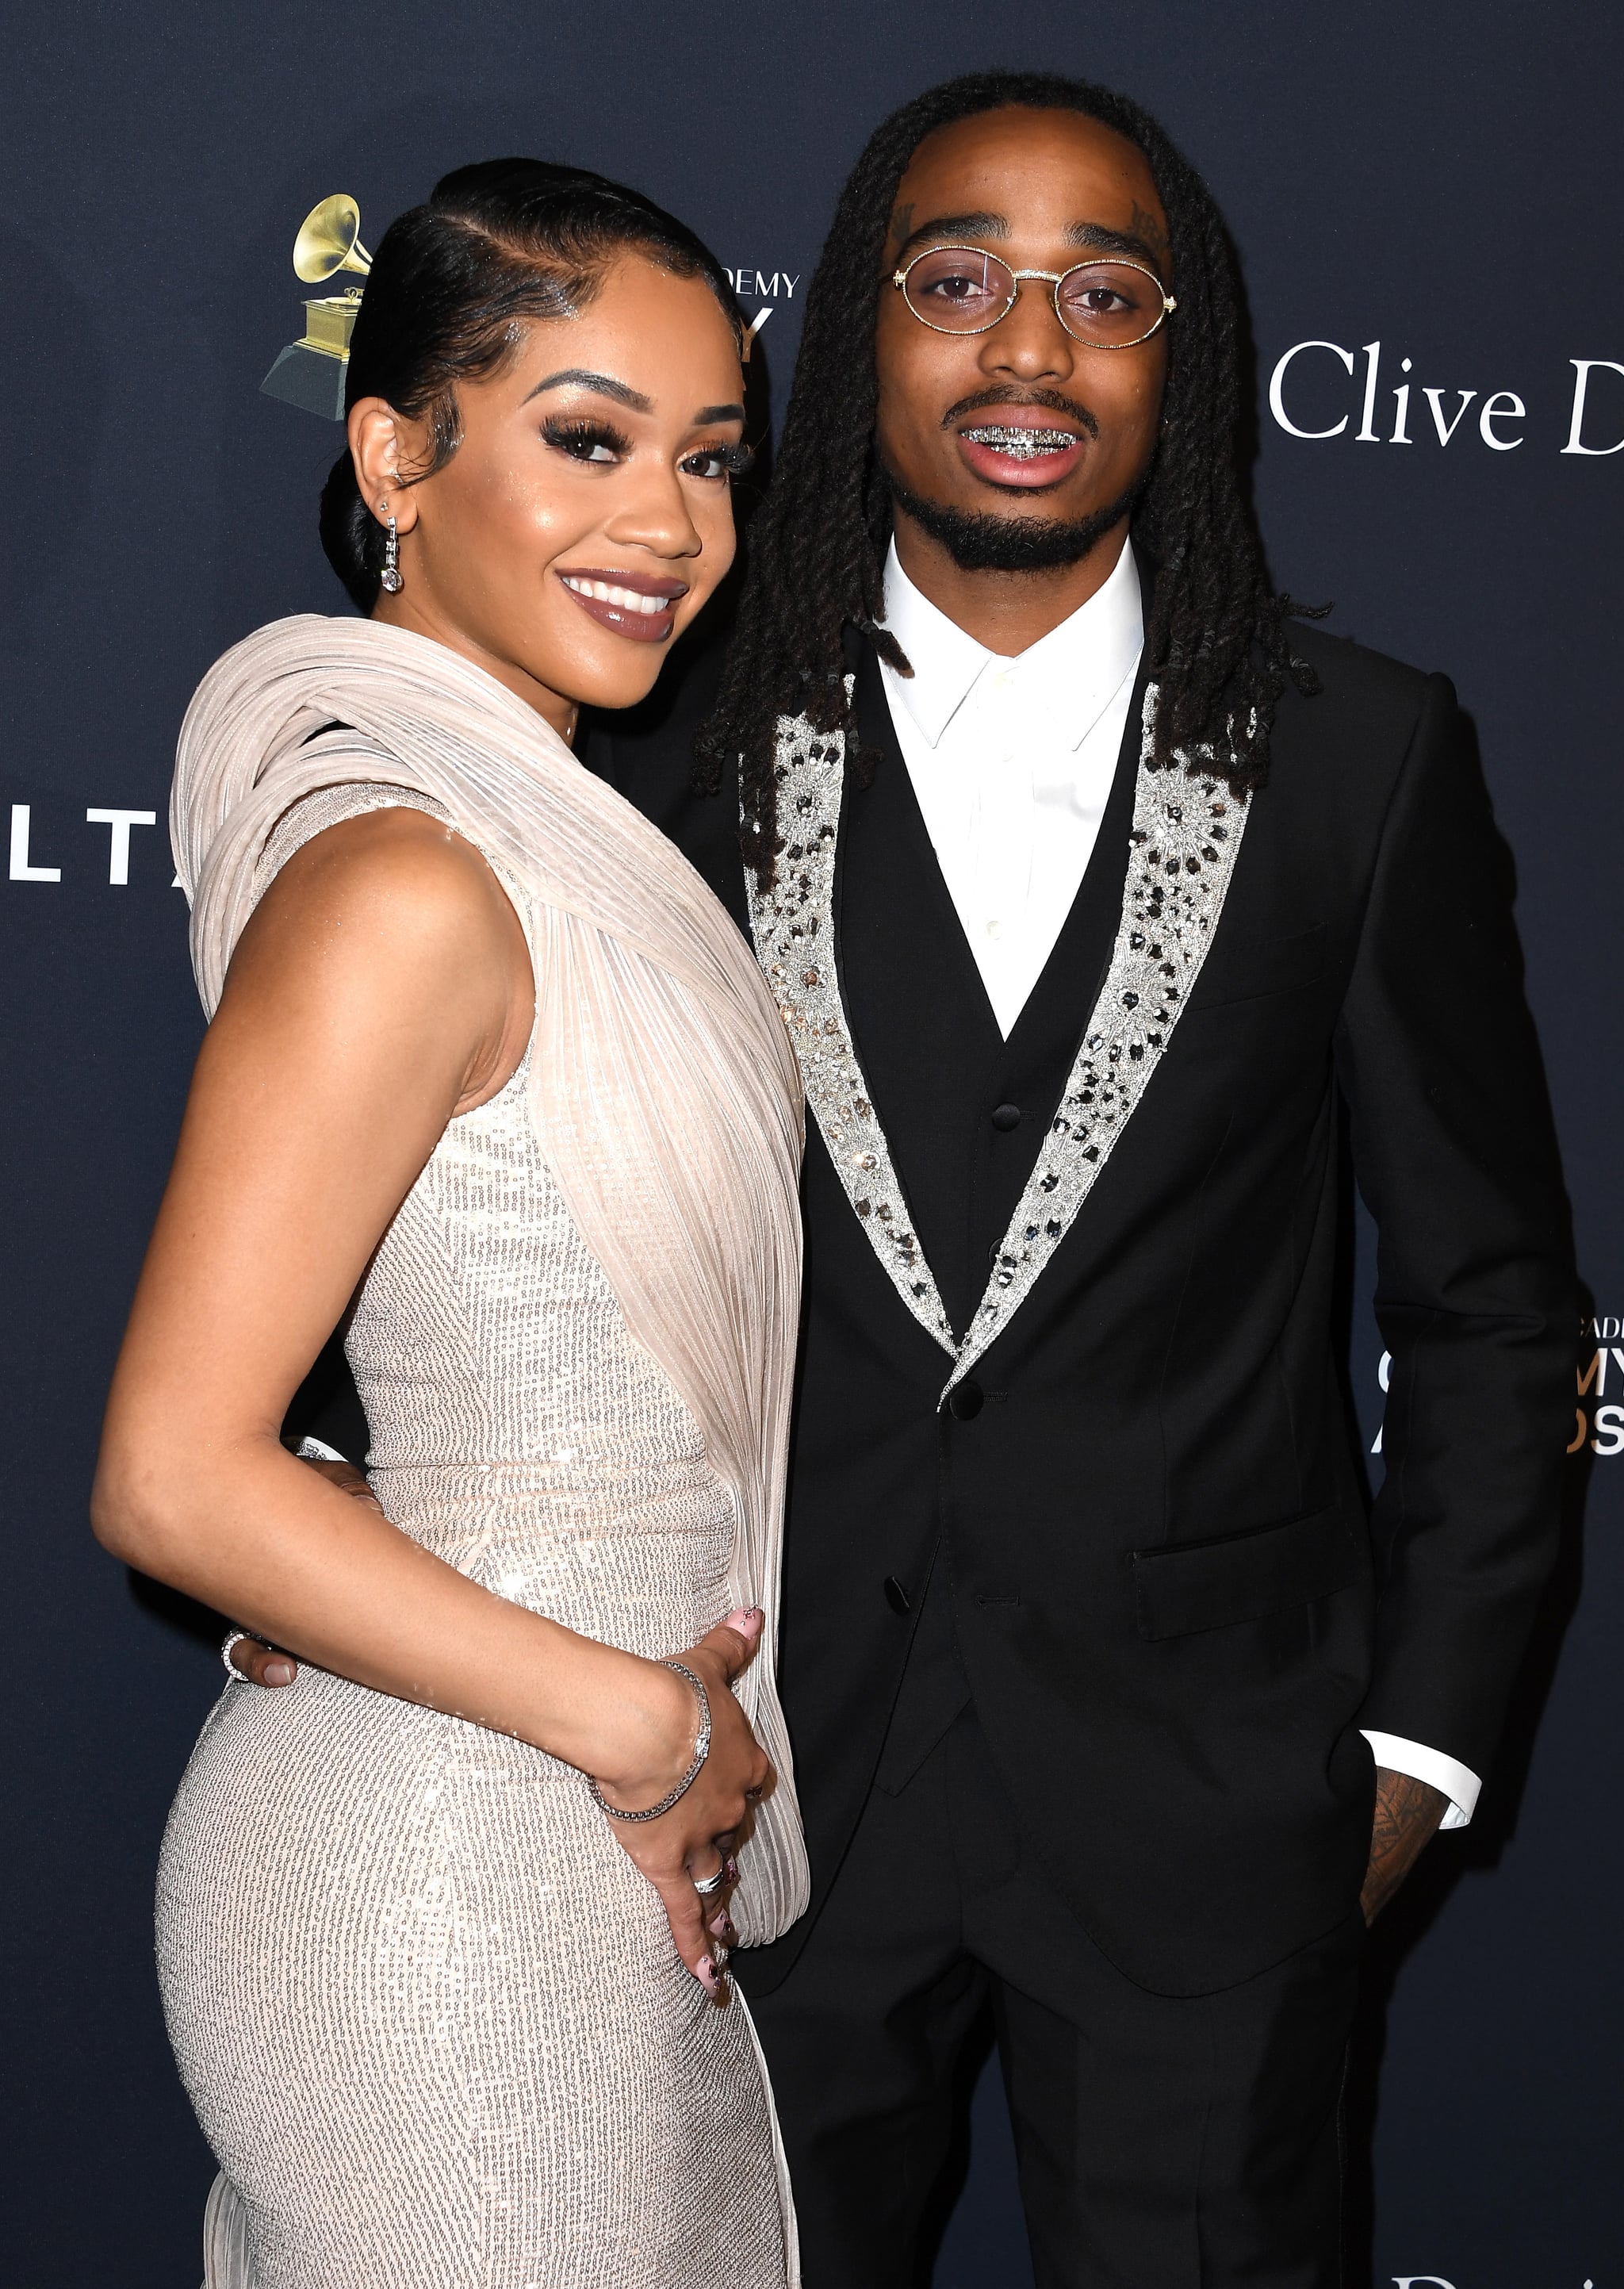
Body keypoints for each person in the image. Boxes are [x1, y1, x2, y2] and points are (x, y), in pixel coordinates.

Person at [224, 71, 1576, 2289]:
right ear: (857, 332)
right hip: (742, 1799)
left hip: (1212, 1821)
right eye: (953, 282)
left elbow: (1495, 1304)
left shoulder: (1361, 754)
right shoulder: (652, 724)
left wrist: (1415, 1753)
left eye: (1098, 294)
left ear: (1183, 349)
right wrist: (327, 1493)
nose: (1024, 348)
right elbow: (478, 1168)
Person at [92, 159, 807, 2289]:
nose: (669, 525)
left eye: (708, 459)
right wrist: (647, 1725)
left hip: (569, 1846)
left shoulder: (529, 833)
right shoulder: (410, 879)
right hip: (447, 1869)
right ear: (395, 454)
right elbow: (167, 1470)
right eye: (584, 440)